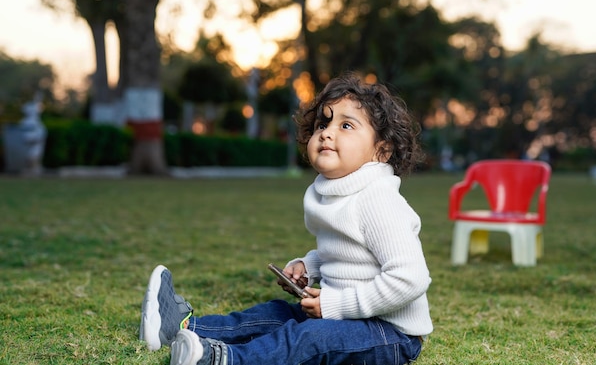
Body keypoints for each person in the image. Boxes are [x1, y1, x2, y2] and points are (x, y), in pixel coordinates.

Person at [140, 73, 433, 365]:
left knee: (309, 338)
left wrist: (337, 304)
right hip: (344, 314)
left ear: (382, 150)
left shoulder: (379, 199)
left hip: (389, 333)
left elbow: (410, 279)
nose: (327, 133)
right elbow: (350, 252)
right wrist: (310, 265)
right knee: (276, 314)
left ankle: (229, 360)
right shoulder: (337, 193)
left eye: (346, 125)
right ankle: (182, 329)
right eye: (323, 123)